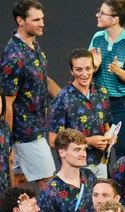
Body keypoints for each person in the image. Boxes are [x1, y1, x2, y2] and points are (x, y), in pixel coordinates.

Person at [0, 0, 60, 184]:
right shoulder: (14, 55)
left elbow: (43, 79)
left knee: (18, 179)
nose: (42, 23)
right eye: (36, 20)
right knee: (48, 182)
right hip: (26, 133)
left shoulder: (34, 45)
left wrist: (67, 98)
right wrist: (7, 143)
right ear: (20, 21)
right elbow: (7, 102)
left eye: (42, 19)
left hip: (39, 126)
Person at [89, 0, 125, 159]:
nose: (97, 15)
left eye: (102, 13)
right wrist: (95, 66)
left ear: (114, 19)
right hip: (99, 104)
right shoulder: (97, 38)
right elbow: (86, 72)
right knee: (98, 153)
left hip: (124, 107)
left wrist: (118, 71)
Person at [48, 49, 112, 178]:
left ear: (94, 68)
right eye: (79, 70)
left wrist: (110, 137)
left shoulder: (102, 93)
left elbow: (106, 127)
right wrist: (88, 141)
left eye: (88, 69)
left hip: (101, 164)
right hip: (75, 168)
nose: (84, 74)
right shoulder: (63, 98)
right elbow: (53, 140)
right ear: (71, 71)